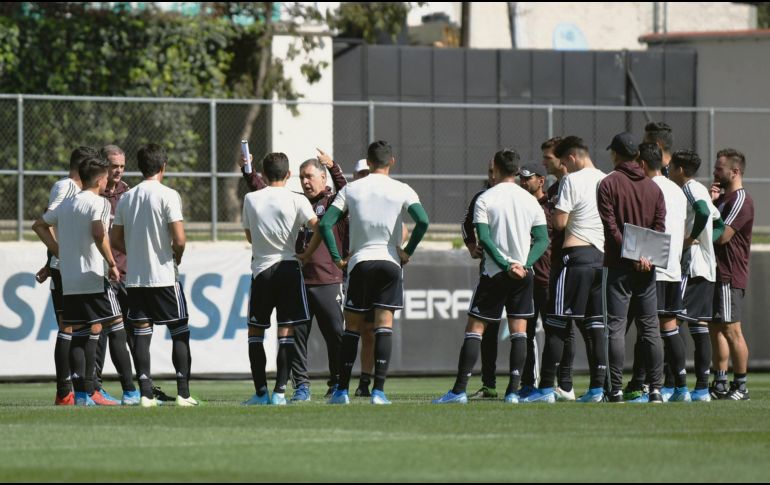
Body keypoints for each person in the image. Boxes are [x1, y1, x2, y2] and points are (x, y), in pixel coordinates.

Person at [318, 140, 430, 405]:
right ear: (392, 161)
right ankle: (378, 391)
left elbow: (326, 223)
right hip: (390, 262)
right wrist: (407, 251)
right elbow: (423, 221)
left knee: (352, 329)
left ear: (367, 163)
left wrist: (337, 258)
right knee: (383, 327)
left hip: (360, 262)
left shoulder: (353, 189)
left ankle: (342, 391)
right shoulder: (402, 189)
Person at [434, 149, 548, 404]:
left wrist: (506, 265)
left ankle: (459, 391)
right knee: (520, 331)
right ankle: (513, 393)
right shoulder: (530, 199)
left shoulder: (486, 198)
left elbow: (483, 238)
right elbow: (542, 239)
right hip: (523, 275)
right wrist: (525, 264)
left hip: (495, 273)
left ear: (495, 167)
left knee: (475, 328)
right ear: (517, 170)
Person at [33, 157, 138, 406]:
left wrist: (58, 251)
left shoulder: (66, 205)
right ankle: (131, 392)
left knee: (79, 335)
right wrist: (112, 263)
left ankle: (81, 395)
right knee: (117, 328)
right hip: (93, 277)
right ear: (100, 179)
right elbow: (99, 233)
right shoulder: (99, 202)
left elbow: (39, 225)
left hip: (69, 282)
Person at [111, 144, 197, 407]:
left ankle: (146, 394)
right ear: (163, 167)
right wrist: (176, 255)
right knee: (179, 332)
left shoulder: (127, 197)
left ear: (139, 167)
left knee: (141, 335)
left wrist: (136, 253)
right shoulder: (168, 195)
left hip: (136, 279)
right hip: (163, 277)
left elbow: (114, 239)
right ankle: (183, 394)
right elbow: (179, 239)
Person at [523, 136, 607, 403]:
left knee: (557, 323)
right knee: (595, 326)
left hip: (575, 255)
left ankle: (546, 388)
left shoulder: (572, 180)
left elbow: (559, 223)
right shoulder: (607, 178)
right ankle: (597, 388)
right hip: (600, 257)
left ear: (571, 157)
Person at [238, 152, 318, 406]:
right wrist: (306, 253)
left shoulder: (251, 198)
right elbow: (320, 227)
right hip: (288, 268)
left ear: (262, 174)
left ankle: (260, 392)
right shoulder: (297, 199)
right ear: (288, 174)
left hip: (261, 270)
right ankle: (280, 393)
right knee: (286, 332)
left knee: (255, 332)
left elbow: (250, 237)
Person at [597, 133, 667, 404]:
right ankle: (656, 390)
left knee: (614, 328)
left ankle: (614, 390)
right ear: (637, 155)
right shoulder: (654, 188)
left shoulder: (608, 183)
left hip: (618, 266)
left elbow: (610, 227)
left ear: (616, 154)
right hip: (647, 268)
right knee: (650, 329)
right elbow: (660, 229)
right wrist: (645, 256)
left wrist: (632, 255)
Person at [624, 142, 689, 403]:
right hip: (672, 267)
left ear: (640, 164)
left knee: (648, 331)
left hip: (651, 269)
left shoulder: (646, 188)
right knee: (669, 328)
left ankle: (651, 388)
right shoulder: (678, 190)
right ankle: (682, 387)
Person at [35, 146, 93, 405]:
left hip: (69, 267)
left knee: (82, 327)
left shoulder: (76, 190)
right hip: (66, 270)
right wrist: (59, 255)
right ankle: (64, 391)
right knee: (69, 328)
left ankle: (81, 390)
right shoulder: (65, 187)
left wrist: (50, 260)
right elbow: (47, 223)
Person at [348, 158, 410, 398]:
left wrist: (397, 248)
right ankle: (362, 381)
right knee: (362, 329)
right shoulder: (353, 196)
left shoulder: (383, 196)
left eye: (367, 171)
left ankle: (371, 383)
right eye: (360, 173)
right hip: (358, 266)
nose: (364, 176)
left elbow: (403, 228)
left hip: (374, 262)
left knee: (375, 328)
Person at [289, 151, 348, 402]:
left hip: (328, 280)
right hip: (299, 281)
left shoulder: (335, 202)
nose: (304, 182)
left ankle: (336, 383)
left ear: (323, 179)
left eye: (309, 176)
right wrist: (249, 173)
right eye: (301, 177)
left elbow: (349, 192)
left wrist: (335, 167)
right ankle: (301, 386)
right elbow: (268, 193)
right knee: (295, 337)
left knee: (336, 336)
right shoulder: (297, 203)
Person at [668, 149, 725, 402]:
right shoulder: (701, 189)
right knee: (699, 326)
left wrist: (692, 239)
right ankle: (702, 388)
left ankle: (673, 385)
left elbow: (703, 212)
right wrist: (707, 242)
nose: (668, 171)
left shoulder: (690, 189)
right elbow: (719, 224)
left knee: (671, 322)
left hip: (691, 267)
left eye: (671, 168)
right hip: (706, 268)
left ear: (680, 170)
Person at [711, 148, 754, 401]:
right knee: (716, 328)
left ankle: (741, 387)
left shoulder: (741, 199)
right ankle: (720, 382)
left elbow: (723, 236)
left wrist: (698, 234)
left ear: (735, 171)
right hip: (717, 272)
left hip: (729, 273)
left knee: (731, 329)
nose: (715, 173)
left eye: (719, 169)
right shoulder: (725, 199)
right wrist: (714, 202)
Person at [540, 137, 576, 401]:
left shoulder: (575, 186)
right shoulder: (553, 190)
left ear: (563, 159)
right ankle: (563, 384)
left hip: (571, 264)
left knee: (568, 326)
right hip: (553, 267)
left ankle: (565, 383)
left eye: (548, 158)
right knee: (562, 326)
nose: (544, 163)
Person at [460, 161, 499, 399]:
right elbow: (465, 225)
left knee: (522, 328)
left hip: (520, 272)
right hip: (491, 270)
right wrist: (471, 246)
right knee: (488, 329)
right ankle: (489, 384)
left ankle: (528, 384)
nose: (492, 176)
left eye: (495, 171)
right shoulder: (482, 197)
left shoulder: (522, 196)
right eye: (489, 172)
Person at [516, 162, 552, 398]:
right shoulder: (518, 205)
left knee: (555, 332)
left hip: (548, 278)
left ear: (541, 180)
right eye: (521, 178)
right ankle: (529, 383)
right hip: (525, 280)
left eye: (528, 178)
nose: (523, 182)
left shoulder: (552, 206)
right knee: (525, 333)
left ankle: (557, 384)